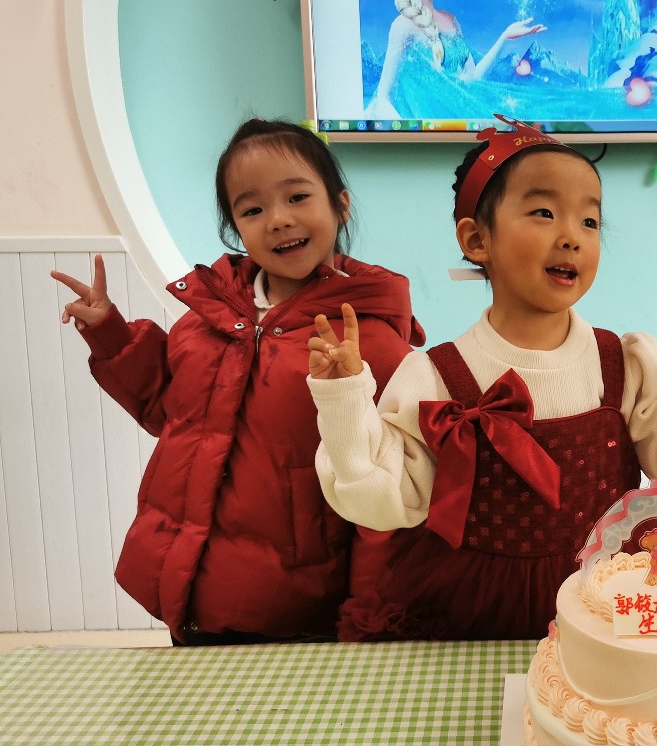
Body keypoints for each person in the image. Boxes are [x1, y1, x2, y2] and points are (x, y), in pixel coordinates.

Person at [306, 114, 657, 640]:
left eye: (589, 221)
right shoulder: (435, 375)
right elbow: (383, 499)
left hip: (604, 595)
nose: (571, 237)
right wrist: (343, 398)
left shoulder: (623, 361)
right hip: (474, 605)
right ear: (477, 239)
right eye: (544, 212)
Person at [51, 119, 424, 645]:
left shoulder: (369, 341)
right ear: (236, 230)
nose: (278, 219)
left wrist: (369, 614)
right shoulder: (208, 319)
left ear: (340, 204)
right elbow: (169, 412)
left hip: (300, 607)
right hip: (192, 584)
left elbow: (389, 490)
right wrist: (111, 334)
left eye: (297, 197)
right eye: (252, 210)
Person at [365, 0, 546, 119]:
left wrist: (504, 38)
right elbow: (384, 97)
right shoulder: (403, 26)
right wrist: (405, 130)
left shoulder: (451, 21)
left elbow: (472, 79)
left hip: (459, 122)